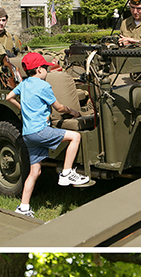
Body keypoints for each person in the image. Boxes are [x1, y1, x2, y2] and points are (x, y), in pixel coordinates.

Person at [5, 51, 90, 219]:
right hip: (40, 131)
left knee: (34, 172)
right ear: (39, 69)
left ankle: (23, 207)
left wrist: (22, 109)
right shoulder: (43, 86)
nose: (47, 71)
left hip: (28, 134)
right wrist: (72, 111)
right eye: (46, 68)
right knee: (75, 137)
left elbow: (9, 97)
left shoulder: (24, 84)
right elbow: (59, 108)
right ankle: (66, 173)